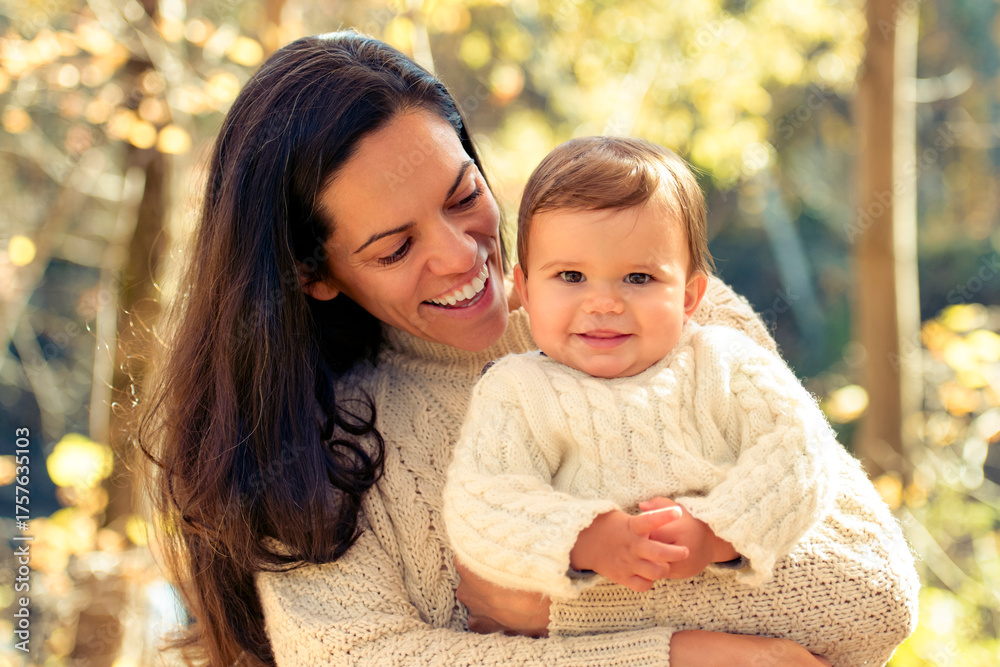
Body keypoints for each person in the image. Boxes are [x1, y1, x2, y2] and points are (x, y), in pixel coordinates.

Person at [137, 31, 919, 667]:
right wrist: (693, 653)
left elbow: (871, 593)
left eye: (462, 196)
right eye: (394, 246)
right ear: (315, 274)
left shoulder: (671, 307)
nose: (457, 254)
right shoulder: (315, 448)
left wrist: (548, 606)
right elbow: (352, 657)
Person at [443, 135, 843, 602]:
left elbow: (800, 449)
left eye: (639, 277)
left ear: (690, 297)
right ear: (526, 291)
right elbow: (480, 501)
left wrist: (718, 532)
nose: (605, 303)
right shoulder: (518, 390)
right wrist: (582, 538)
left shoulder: (723, 361)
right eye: (571, 276)